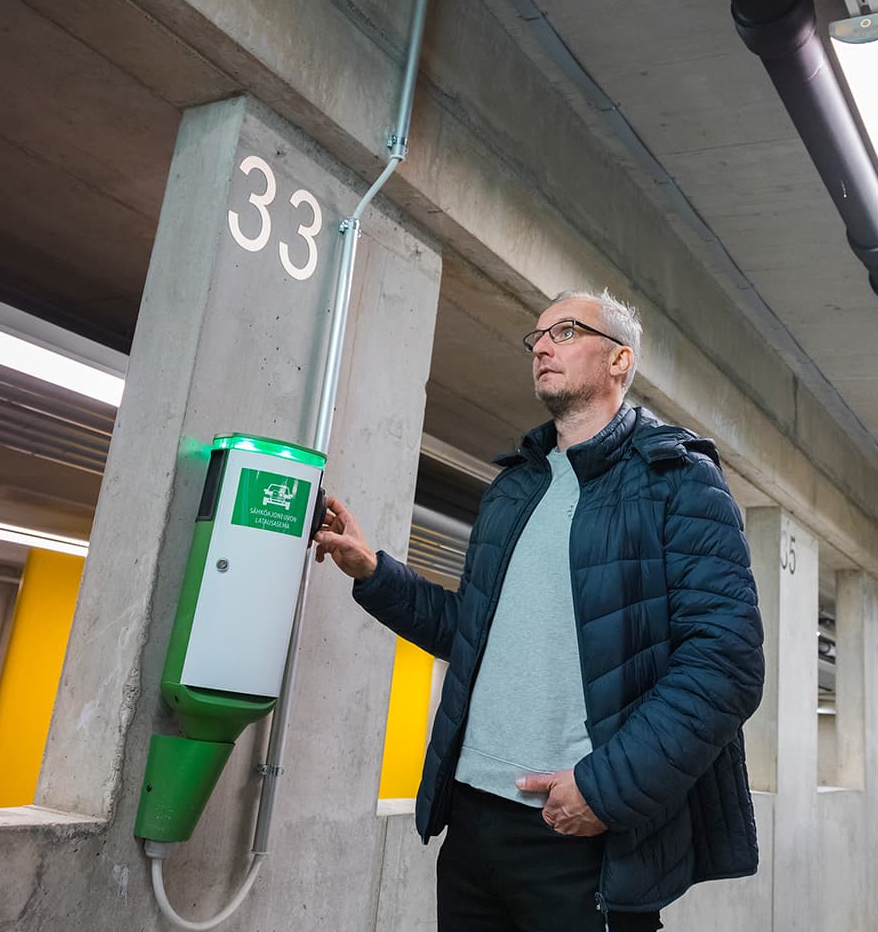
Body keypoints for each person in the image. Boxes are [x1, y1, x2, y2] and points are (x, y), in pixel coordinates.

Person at [314, 289, 764, 931]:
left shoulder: (679, 480)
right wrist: (374, 571)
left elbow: (726, 665)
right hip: (472, 823)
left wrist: (604, 792)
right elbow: (470, 633)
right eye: (538, 336)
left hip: (582, 833)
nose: (543, 345)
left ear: (619, 361)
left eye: (567, 331)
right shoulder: (513, 488)